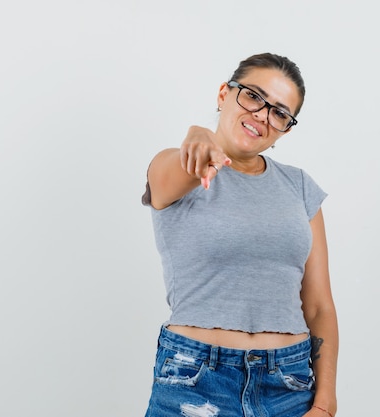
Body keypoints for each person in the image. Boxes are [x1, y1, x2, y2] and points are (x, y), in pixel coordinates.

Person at [142, 52, 338, 417]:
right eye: (252, 96)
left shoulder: (299, 187)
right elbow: (181, 167)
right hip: (194, 381)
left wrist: (325, 403)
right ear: (223, 94)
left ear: (286, 129)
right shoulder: (173, 170)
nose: (262, 115)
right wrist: (197, 135)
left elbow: (318, 306)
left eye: (279, 112)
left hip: (289, 386)